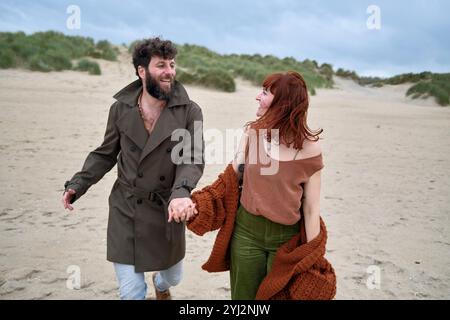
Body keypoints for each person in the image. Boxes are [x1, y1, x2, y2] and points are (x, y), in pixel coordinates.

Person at [62, 37, 204, 300]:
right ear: (142, 71)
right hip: (126, 207)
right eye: (161, 65)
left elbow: (192, 158)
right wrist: (77, 184)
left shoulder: (189, 111)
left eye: (172, 65)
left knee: (174, 275)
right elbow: (106, 153)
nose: (169, 72)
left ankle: (161, 284)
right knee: (132, 292)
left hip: (166, 207)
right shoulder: (120, 110)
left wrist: (182, 192)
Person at [228, 71, 325, 299]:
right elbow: (231, 178)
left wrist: (314, 259)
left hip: (287, 242)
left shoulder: (311, 150)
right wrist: (195, 202)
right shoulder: (253, 133)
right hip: (246, 233)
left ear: (283, 103)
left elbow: (311, 209)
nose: (257, 97)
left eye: (264, 93)